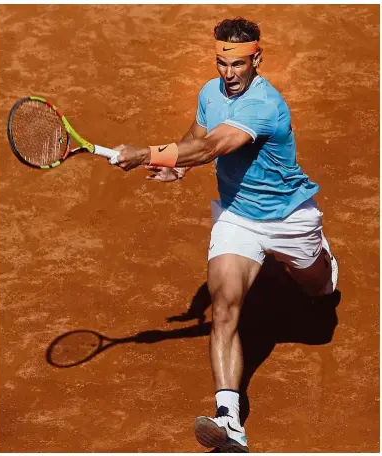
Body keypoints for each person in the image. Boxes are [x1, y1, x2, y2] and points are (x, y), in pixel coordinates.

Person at [110, 17, 338, 453]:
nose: (227, 74)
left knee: (317, 289)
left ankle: (320, 266)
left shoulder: (265, 106)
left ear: (257, 59)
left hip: (289, 218)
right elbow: (197, 137)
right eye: (221, 63)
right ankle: (229, 418)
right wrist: (176, 163)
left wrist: (145, 153)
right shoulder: (210, 93)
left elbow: (214, 146)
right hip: (237, 216)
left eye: (237, 64)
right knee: (225, 304)